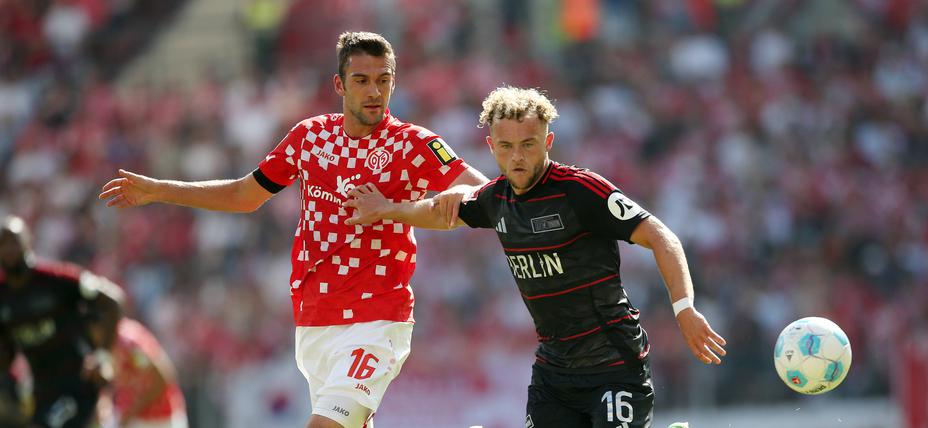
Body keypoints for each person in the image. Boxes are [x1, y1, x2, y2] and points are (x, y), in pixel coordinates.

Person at [98, 31, 488, 428]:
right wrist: (159, 189)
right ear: (339, 84)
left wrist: (394, 209)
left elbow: (479, 189)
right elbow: (244, 195)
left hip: (376, 319)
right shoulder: (309, 137)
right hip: (314, 319)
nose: (374, 91)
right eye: (361, 80)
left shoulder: (414, 144)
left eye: (383, 80)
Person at [343, 86, 727, 427]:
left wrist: (684, 308)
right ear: (492, 147)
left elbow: (661, 235)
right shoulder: (495, 199)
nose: (517, 157)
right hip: (554, 373)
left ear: (548, 142)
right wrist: (387, 208)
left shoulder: (580, 191)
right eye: (506, 147)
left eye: (528, 144)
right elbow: (438, 214)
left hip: (614, 365)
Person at [0, 215, 125, 428]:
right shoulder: (2, 296)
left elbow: (112, 300)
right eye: (2, 244)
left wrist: (102, 356)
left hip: (80, 387)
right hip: (42, 393)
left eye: (13, 240)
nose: (8, 249)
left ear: (28, 242)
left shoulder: (57, 280)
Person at [108, 317, 187, 428]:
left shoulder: (128, 345)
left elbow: (163, 376)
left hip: (158, 419)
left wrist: (132, 412)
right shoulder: (106, 343)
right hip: (133, 417)